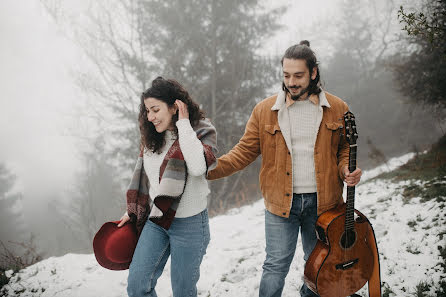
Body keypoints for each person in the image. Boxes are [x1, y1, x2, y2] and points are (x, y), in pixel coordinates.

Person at [207, 40, 362, 297]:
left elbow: (345, 148)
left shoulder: (338, 108)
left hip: (324, 205)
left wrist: (346, 169)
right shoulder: (264, 111)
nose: (291, 82)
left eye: (298, 75)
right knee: (275, 266)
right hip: (281, 205)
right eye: (286, 75)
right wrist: (207, 170)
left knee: (319, 266)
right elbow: (243, 153)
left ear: (313, 73)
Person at [118, 77, 217, 297]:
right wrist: (131, 211)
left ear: (174, 107)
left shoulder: (200, 130)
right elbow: (146, 178)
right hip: (158, 219)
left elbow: (198, 167)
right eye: (147, 111)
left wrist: (183, 124)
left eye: (155, 110)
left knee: (183, 291)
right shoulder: (152, 138)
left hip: (190, 224)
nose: (150, 117)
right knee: (137, 286)